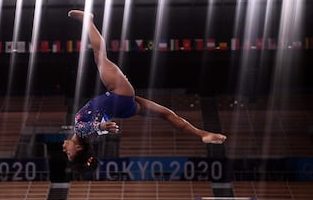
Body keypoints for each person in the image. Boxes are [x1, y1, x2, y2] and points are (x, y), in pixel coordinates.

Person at [62, 10, 227, 172]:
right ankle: (88, 20)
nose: (65, 150)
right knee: (100, 57)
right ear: (78, 148)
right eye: (69, 154)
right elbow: (87, 128)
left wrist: (101, 127)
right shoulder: (81, 130)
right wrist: (100, 126)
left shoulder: (87, 135)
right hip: (119, 96)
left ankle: (202, 134)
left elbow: (94, 127)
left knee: (167, 115)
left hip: (125, 108)